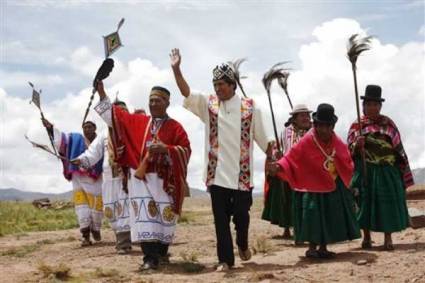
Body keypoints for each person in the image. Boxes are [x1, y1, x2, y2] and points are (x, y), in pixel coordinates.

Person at [170, 48, 274, 271]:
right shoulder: (209, 105)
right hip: (216, 175)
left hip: (242, 176)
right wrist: (177, 70)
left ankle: (243, 244)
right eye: (215, 85)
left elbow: (263, 137)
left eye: (222, 84)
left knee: (242, 218)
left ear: (232, 84)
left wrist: (273, 157)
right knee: (220, 221)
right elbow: (187, 93)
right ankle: (225, 260)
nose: (218, 89)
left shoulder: (250, 107)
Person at [94, 81, 191, 271]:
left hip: (164, 181)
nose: (153, 104)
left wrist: (166, 149)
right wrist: (101, 92)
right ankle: (149, 258)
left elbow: (185, 150)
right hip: (142, 179)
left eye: (158, 101)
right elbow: (115, 117)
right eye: (151, 101)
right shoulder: (139, 122)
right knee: (145, 219)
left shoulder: (175, 127)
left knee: (164, 220)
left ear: (167, 103)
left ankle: (162, 253)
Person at [266, 103, 360, 259]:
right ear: (315, 125)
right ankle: (311, 247)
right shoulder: (308, 139)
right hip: (311, 185)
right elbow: (292, 157)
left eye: (328, 127)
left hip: (332, 185)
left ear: (332, 126)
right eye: (320, 126)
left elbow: (346, 159)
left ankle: (323, 248)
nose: (324, 130)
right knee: (313, 216)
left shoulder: (336, 141)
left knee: (328, 215)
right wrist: (278, 166)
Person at [347, 85, 413, 250]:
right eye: (368, 104)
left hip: (386, 169)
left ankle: (388, 238)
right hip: (366, 168)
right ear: (363, 106)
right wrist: (357, 145)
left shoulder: (388, 123)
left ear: (380, 106)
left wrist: (399, 167)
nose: (372, 107)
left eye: (375, 104)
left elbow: (397, 147)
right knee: (364, 202)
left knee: (387, 203)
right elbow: (349, 149)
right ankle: (367, 238)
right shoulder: (358, 125)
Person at [72, 100, 132, 254]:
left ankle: (124, 243)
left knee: (124, 209)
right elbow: (93, 152)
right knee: (110, 209)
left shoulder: (131, 129)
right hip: (108, 178)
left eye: (122, 111)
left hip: (127, 177)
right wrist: (82, 159)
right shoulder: (105, 134)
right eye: (116, 112)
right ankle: (121, 237)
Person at [42, 118, 103, 246]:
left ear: (95, 128)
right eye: (85, 127)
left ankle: (96, 228)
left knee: (96, 206)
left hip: (96, 178)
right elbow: (62, 141)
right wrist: (50, 128)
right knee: (82, 207)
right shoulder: (75, 138)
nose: (87, 129)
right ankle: (85, 235)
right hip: (78, 178)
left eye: (90, 127)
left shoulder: (101, 140)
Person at [262, 104, 312, 240]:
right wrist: (277, 154)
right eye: (302, 115)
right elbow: (280, 148)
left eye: (307, 115)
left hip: (308, 172)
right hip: (288, 170)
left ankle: (302, 229)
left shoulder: (313, 131)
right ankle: (287, 228)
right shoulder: (286, 133)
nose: (306, 118)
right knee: (287, 200)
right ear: (294, 119)